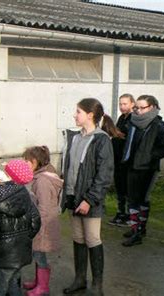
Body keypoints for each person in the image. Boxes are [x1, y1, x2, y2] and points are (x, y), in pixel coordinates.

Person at [61, 98, 117, 296]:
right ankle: (79, 280)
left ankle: (97, 286)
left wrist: (89, 200)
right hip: (72, 198)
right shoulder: (74, 137)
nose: (74, 115)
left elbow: (104, 176)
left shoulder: (101, 140)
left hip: (89, 201)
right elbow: (69, 168)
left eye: (78, 112)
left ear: (90, 115)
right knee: (78, 238)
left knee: (92, 239)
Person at [0, 160, 41, 296]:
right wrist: (24, 239)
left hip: (2, 256)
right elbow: (36, 222)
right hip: (20, 252)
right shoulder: (25, 195)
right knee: (14, 285)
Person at [121, 95, 164, 247]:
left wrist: (150, 156)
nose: (137, 110)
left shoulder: (158, 126)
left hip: (147, 168)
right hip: (132, 165)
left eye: (141, 107)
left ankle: (138, 232)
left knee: (140, 200)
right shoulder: (133, 123)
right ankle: (137, 229)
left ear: (152, 108)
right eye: (136, 107)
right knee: (132, 199)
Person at [22, 146, 63, 296]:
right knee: (38, 254)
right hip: (43, 224)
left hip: (42, 226)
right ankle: (38, 281)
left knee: (39, 255)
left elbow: (43, 208)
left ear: (34, 162)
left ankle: (43, 287)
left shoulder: (42, 181)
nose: (24, 164)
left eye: (26, 161)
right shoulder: (44, 175)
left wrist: (36, 226)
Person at [109, 94, 135, 226]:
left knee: (127, 189)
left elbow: (130, 137)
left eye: (125, 104)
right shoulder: (121, 118)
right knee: (119, 188)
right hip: (117, 159)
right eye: (120, 104)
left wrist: (118, 133)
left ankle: (130, 215)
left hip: (127, 161)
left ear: (132, 104)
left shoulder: (133, 118)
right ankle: (120, 213)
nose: (122, 106)